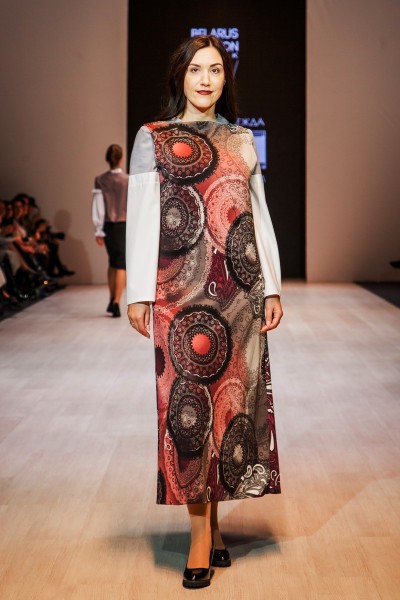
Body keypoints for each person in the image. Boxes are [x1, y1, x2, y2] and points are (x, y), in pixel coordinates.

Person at [126, 35, 283, 589]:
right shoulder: (153, 137)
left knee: (229, 409)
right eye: (196, 69)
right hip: (178, 292)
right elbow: (142, 217)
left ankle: (211, 526)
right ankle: (199, 535)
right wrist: (139, 291)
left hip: (239, 290)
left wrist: (272, 287)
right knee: (187, 410)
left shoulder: (241, 139)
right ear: (181, 75)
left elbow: (257, 215)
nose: (205, 80)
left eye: (215, 70)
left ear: (225, 79)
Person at [92, 144, 129, 317]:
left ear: (107, 159)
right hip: (123, 225)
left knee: (113, 262)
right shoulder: (128, 180)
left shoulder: (101, 180)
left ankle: (112, 298)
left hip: (108, 226)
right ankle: (116, 302)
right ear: (121, 158)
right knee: (120, 263)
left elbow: (98, 206)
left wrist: (99, 230)